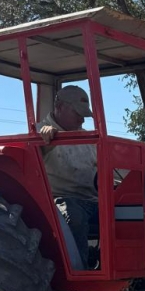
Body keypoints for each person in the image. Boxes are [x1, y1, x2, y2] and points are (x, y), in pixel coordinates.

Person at [37, 86, 98, 265]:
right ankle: (79, 283)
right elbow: (33, 156)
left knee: (132, 212)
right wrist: (44, 139)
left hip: (93, 200)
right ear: (60, 107)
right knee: (73, 215)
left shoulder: (88, 138)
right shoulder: (41, 133)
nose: (81, 120)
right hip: (60, 201)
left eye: (84, 115)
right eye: (77, 113)